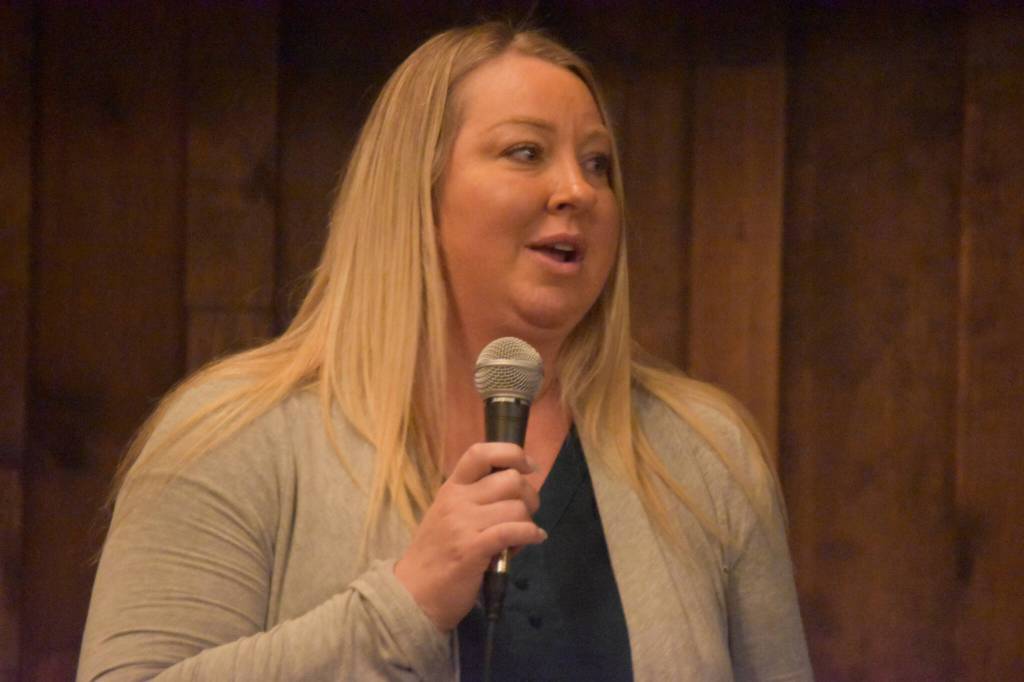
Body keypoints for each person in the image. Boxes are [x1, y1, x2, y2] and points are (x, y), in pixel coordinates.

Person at [78, 22, 812, 682]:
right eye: (526, 153)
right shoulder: (232, 435)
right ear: (416, 194)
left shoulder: (702, 454)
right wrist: (407, 604)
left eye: (598, 166)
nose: (577, 191)